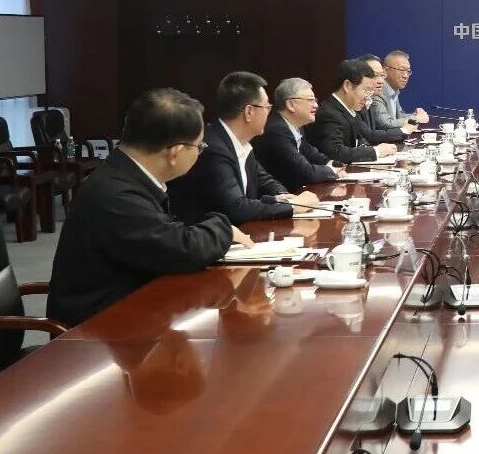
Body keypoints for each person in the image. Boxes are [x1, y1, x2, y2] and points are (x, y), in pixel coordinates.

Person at [47, 88, 249, 326]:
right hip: (96, 329)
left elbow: (164, 236)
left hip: (127, 310)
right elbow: (181, 249)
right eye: (199, 146)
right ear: (175, 153)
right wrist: (224, 229)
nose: (200, 153)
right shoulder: (117, 194)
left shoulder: (126, 174)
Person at [169, 72, 319, 225]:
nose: (269, 113)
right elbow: (237, 208)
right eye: (266, 107)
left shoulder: (242, 142)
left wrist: (285, 196)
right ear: (249, 112)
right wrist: (294, 206)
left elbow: (264, 180)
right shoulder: (214, 149)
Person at [252, 77, 345, 193]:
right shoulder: (277, 130)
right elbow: (306, 172)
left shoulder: (295, 126)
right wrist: (332, 171)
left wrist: (334, 164)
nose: (316, 105)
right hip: (278, 197)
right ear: (291, 104)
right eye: (310, 100)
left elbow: (313, 155)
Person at [306, 59, 399, 164]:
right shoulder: (329, 113)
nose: (368, 97)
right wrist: (376, 151)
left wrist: (366, 147)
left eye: (370, 91)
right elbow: (335, 152)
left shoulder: (349, 109)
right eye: (366, 90)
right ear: (347, 86)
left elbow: (360, 138)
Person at [356, 54, 417, 143]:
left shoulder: (369, 99)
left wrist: (414, 116)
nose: (381, 81)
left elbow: (368, 136)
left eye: (382, 75)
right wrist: (414, 120)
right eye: (374, 75)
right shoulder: (375, 96)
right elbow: (378, 129)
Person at [372, 50, 429, 130]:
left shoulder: (393, 90)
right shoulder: (378, 91)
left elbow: (399, 116)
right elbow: (385, 124)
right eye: (401, 70)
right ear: (385, 71)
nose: (406, 76)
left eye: (408, 71)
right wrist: (417, 119)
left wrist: (415, 115)